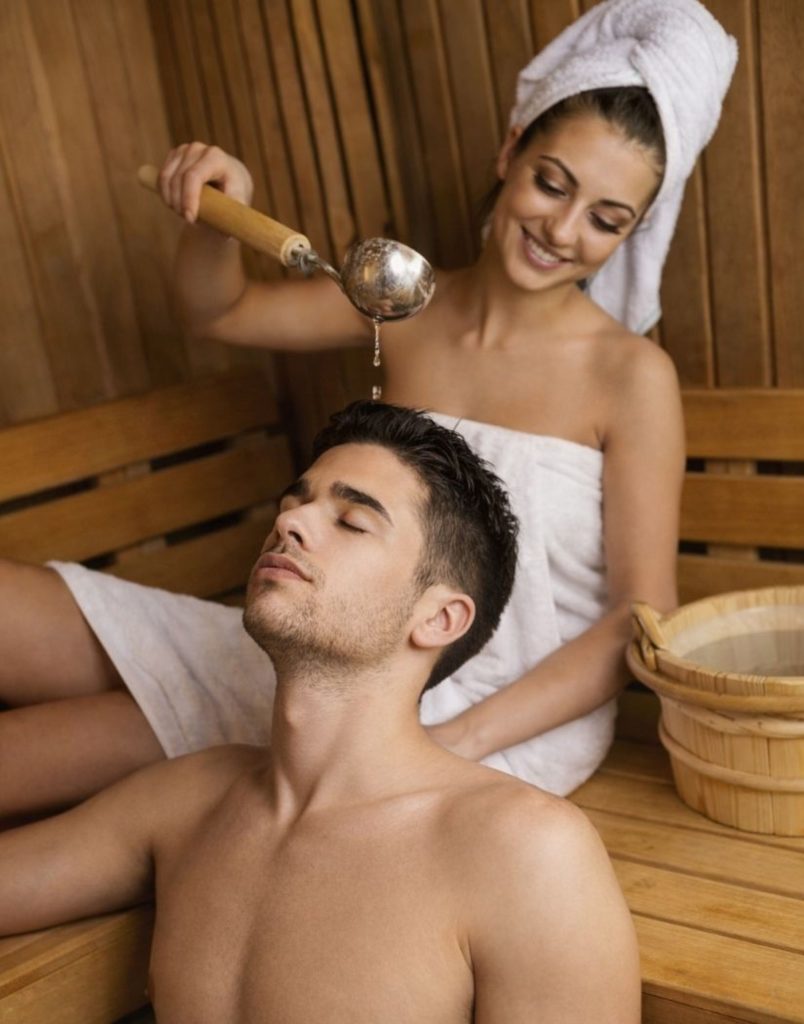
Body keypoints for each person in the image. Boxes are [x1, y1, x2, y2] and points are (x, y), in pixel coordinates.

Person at [0, 0, 738, 817]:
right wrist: (218, 215)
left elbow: (638, 614)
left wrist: (451, 742)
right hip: (331, 641)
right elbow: (222, 313)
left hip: (492, 713)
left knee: (79, 744)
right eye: (550, 183)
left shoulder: (630, 376)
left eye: (605, 219)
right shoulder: (406, 304)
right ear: (510, 151)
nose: (563, 230)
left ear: (636, 230)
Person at [0, 402, 641, 1023]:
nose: (292, 522)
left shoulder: (525, 853)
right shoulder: (184, 801)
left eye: (352, 521)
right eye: (294, 503)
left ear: (440, 618)